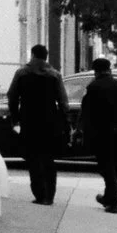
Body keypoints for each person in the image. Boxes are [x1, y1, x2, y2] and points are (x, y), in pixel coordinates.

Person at [6, 45, 69, 204]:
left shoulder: (21, 73)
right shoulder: (55, 75)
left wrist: (16, 117)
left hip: (29, 120)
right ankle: (49, 195)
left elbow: (12, 96)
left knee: (33, 158)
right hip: (50, 121)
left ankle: (39, 193)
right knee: (48, 159)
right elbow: (63, 102)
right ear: (46, 57)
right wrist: (63, 121)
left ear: (33, 55)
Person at [80, 56, 117, 211]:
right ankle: (109, 197)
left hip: (103, 132)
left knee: (105, 166)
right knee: (116, 166)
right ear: (109, 69)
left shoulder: (94, 87)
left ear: (95, 71)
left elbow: (87, 111)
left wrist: (83, 131)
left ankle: (114, 200)